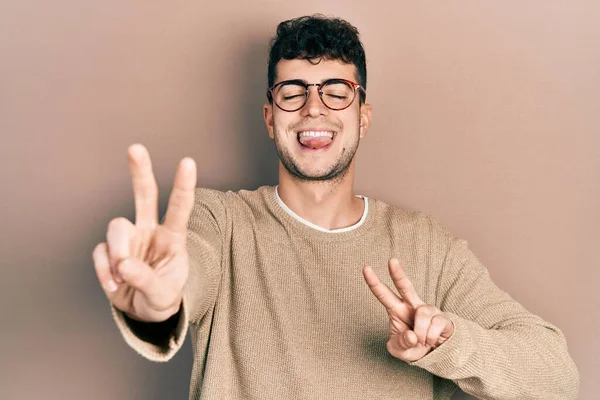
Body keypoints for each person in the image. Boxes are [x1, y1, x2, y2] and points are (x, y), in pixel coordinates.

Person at [93, 15, 579, 400]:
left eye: (335, 91)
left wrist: (449, 344)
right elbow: (186, 273)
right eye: (293, 92)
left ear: (362, 117)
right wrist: (160, 304)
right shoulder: (220, 223)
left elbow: (555, 378)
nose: (313, 108)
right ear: (269, 117)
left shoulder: (427, 245)